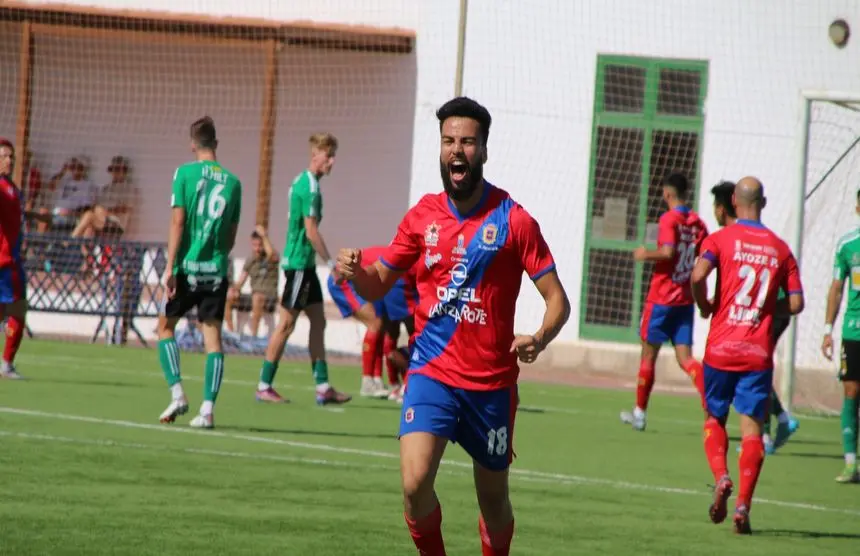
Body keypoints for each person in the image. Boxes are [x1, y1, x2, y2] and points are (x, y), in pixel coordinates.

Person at [335, 97, 570, 555]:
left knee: (494, 501)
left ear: (483, 149)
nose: (456, 150)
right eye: (448, 141)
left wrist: (539, 337)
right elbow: (379, 282)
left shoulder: (514, 221)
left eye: (466, 142)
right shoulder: (422, 216)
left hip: (491, 386)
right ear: (440, 149)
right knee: (414, 482)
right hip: (431, 374)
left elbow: (557, 299)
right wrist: (355, 271)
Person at [691, 177, 804, 535]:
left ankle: (721, 476)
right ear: (763, 202)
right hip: (757, 352)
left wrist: (706, 303)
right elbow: (798, 303)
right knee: (753, 430)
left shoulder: (720, 239)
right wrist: (770, 307)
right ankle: (743, 506)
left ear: (734, 204)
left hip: (721, 349)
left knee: (714, 419)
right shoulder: (780, 248)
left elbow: (698, 275)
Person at [156, 116, 242, 429]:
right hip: (215, 271)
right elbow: (232, 234)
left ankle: (178, 392)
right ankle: (207, 410)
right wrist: (217, 257)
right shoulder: (234, 183)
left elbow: (178, 221)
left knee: (165, 328)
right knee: (213, 341)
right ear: (216, 144)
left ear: (193, 144)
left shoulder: (184, 174)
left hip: (186, 268)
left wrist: (170, 265)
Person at [255, 133, 350, 406]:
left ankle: (323, 388)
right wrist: (332, 264)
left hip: (305, 267)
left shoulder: (303, 182)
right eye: (328, 156)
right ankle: (264, 385)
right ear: (315, 155)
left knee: (318, 323)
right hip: (298, 266)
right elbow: (310, 232)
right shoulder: (309, 187)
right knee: (285, 324)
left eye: (333, 157)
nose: (331, 162)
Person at [712, 181, 800, 454]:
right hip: (763, 311)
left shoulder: (730, 237)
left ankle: (766, 433)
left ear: (725, 206)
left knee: (752, 369)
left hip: (760, 314)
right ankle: (777, 423)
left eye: (715, 206)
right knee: (754, 368)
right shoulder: (752, 237)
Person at [620, 172, 708, 431]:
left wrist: (645, 253)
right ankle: (712, 405)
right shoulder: (698, 224)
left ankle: (640, 413)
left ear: (668, 194)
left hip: (661, 299)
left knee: (648, 356)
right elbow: (704, 259)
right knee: (687, 360)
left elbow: (668, 252)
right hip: (684, 300)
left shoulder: (669, 219)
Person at [821, 188, 860, 484]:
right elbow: (836, 288)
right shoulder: (847, 245)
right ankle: (850, 463)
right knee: (851, 392)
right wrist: (827, 331)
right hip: (853, 331)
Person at [327, 245, 390, 399]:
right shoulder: (396, 256)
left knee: (380, 325)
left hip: (358, 280)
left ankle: (376, 380)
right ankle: (367, 382)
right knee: (374, 323)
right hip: (344, 281)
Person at [0, 139, 27, 380]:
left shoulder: (12, 188)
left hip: (10, 259)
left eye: (11, 157)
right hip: (7, 263)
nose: (9, 161)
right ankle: (6, 364)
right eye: (5, 156)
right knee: (18, 310)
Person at [226, 226, 280, 339]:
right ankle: (232, 333)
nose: (257, 249)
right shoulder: (251, 260)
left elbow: (272, 255)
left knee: (257, 297)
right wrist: (234, 289)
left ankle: (253, 337)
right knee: (229, 297)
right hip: (254, 296)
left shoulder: (271, 257)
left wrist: (264, 236)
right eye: (254, 245)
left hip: (269, 297)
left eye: (260, 245)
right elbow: (241, 280)